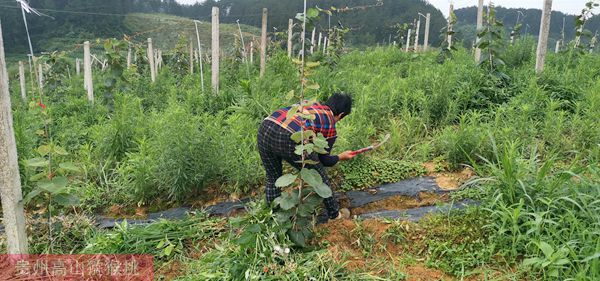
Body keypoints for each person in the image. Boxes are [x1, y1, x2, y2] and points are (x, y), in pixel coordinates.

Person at [257, 93, 355, 221]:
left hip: (266, 126)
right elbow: (324, 160)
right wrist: (341, 156)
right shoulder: (329, 123)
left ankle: (273, 218)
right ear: (341, 115)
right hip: (289, 136)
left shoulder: (310, 104)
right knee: (319, 175)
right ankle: (335, 215)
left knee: (273, 178)